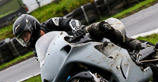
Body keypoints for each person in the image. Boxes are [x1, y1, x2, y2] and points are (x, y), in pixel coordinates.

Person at [13, 14, 141, 56]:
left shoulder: (51, 23)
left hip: (83, 38)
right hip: (71, 54)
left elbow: (71, 21)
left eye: (25, 35)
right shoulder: (37, 50)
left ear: (32, 27)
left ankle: (128, 43)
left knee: (99, 27)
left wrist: (77, 30)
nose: (26, 39)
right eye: (22, 39)